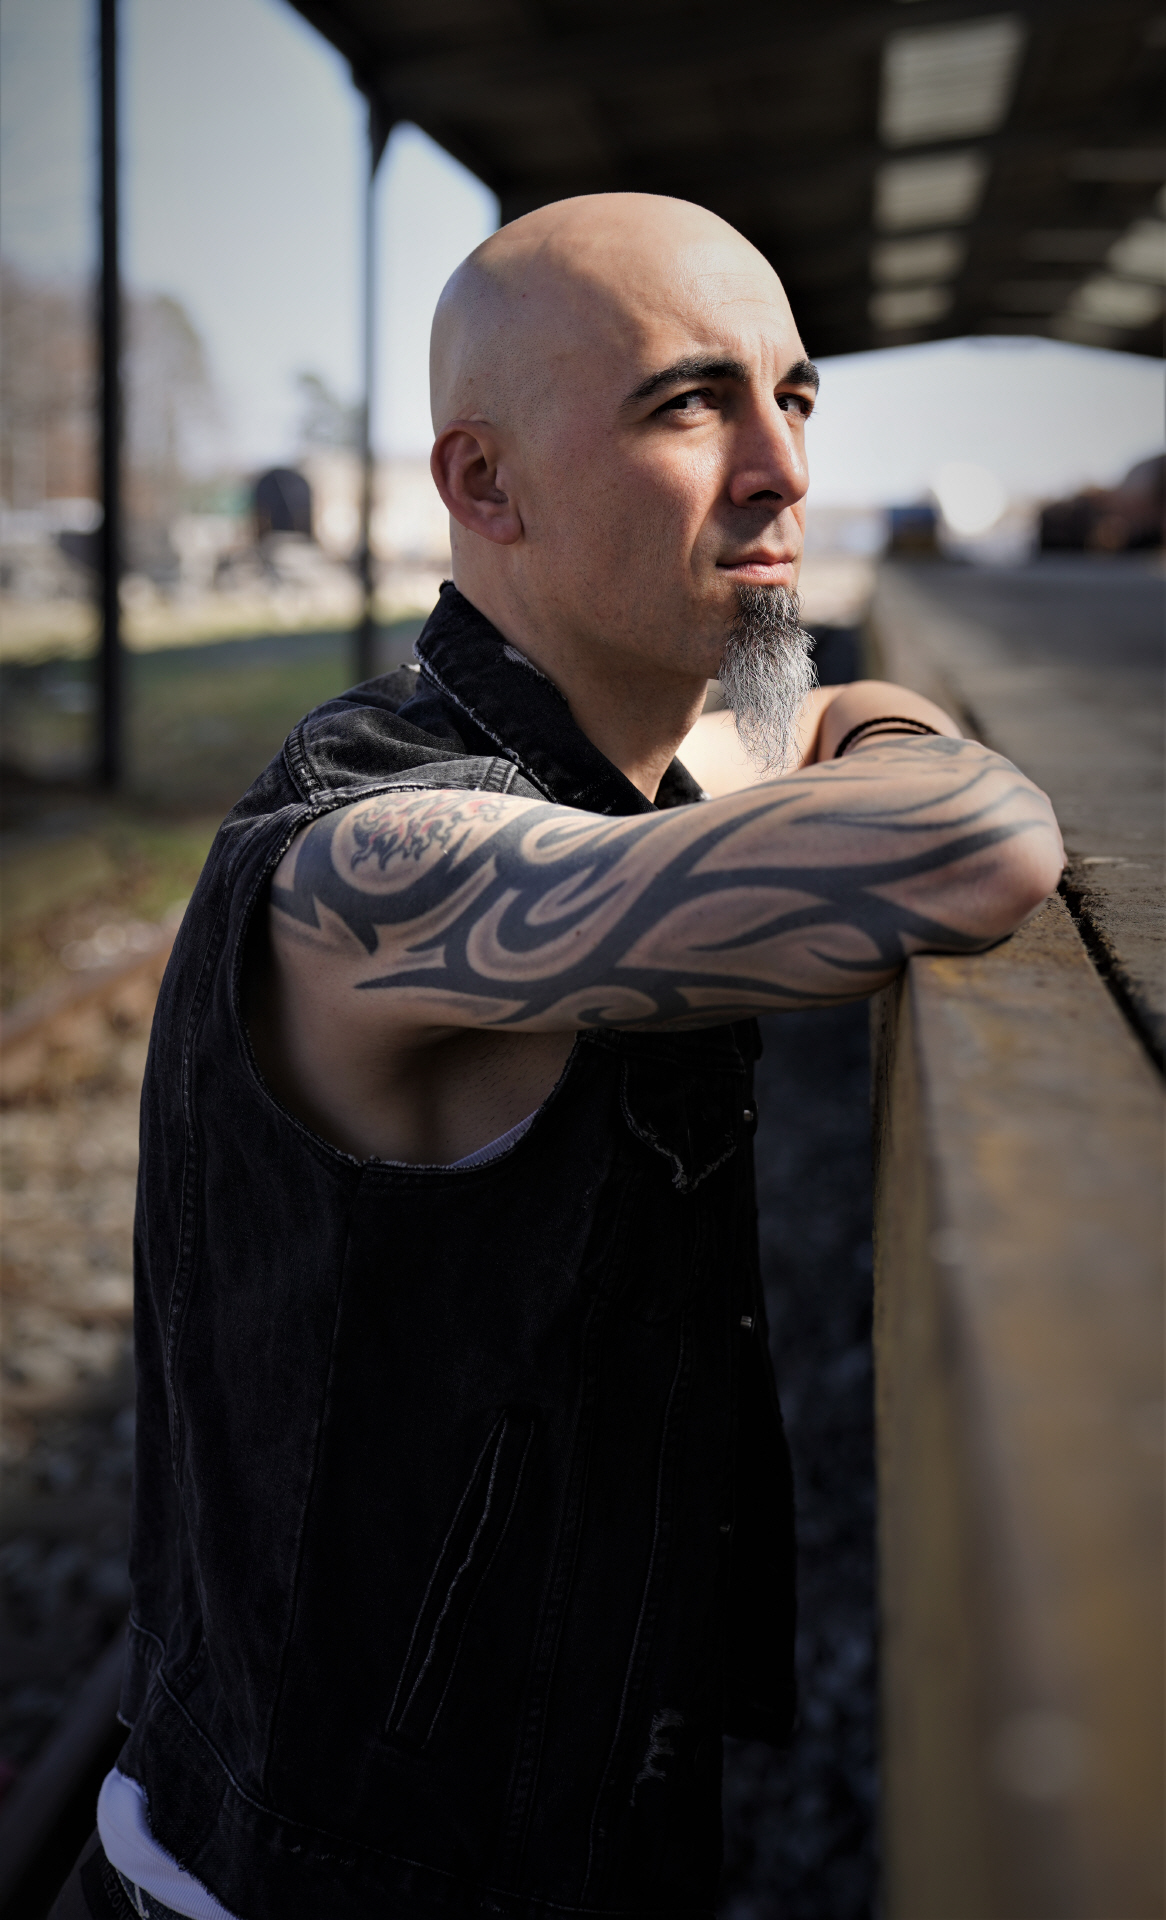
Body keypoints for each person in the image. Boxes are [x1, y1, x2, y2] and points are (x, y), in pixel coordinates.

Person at [54, 193, 1062, 1920]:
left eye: (792, 397)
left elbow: (808, 734)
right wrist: (873, 726)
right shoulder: (377, 863)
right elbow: (970, 844)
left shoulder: (627, 783)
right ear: (485, 483)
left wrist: (836, 718)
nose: (780, 469)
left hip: (568, 1827)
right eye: (687, 405)